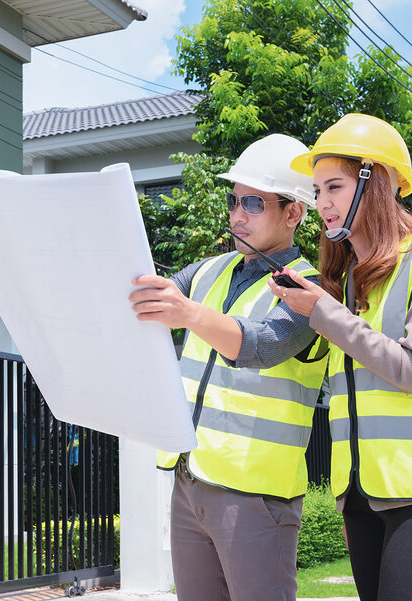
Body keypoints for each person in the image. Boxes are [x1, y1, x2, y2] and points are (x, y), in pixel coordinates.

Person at [129, 134, 328, 601]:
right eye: (233, 199)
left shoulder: (313, 288)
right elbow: (132, 297)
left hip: (256, 496)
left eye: (254, 202)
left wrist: (187, 314)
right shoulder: (208, 271)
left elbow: (263, 345)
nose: (237, 214)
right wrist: (17, 291)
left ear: (294, 212)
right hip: (190, 478)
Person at [267, 113, 412, 601]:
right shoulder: (346, 279)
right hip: (357, 489)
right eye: (317, 190)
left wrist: (325, 313)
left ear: (375, 183)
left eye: (334, 187)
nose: (321, 203)